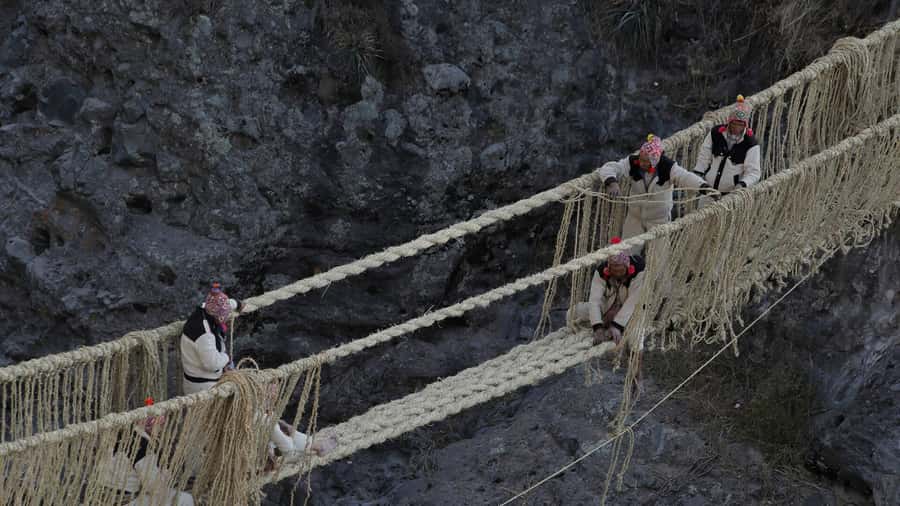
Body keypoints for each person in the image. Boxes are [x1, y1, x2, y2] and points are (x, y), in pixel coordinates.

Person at [600, 134, 712, 253]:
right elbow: (610, 168)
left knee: (659, 258)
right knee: (627, 253)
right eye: (640, 159)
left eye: (645, 161)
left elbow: (685, 177)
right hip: (635, 217)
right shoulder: (633, 162)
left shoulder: (668, 167)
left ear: (654, 161)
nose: (640, 163)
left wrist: (704, 187)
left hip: (659, 220)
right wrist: (611, 182)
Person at [98, 398, 195, 506]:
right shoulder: (142, 446)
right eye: (161, 425)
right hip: (124, 501)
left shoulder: (123, 434)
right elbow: (154, 488)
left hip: (101, 497)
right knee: (184, 499)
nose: (162, 429)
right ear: (150, 424)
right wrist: (168, 470)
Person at [692, 94, 761, 204]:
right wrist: (698, 175)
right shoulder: (716, 133)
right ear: (729, 121)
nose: (737, 128)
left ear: (745, 125)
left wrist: (742, 184)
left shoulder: (750, 143)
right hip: (708, 191)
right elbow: (704, 156)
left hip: (730, 196)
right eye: (734, 123)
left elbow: (754, 172)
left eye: (741, 124)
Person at [581, 238, 646, 346]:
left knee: (636, 336)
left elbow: (634, 301)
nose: (618, 274)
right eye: (614, 271)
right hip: (609, 306)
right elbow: (594, 300)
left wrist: (617, 325)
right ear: (609, 268)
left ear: (627, 267)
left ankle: (634, 354)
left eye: (621, 270)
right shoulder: (601, 272)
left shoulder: (639, 270)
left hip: (634, 310)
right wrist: (597, 327)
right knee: (575, 312)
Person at [180, 282, 242, 395]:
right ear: (218, 317)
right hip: (202, 388)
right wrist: (226, 358)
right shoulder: (204, 334)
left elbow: (221, 304)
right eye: (225, 316)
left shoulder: (205, 310)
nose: (227, 317)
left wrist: (237, 304)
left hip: (196, 379)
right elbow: (212, 364)